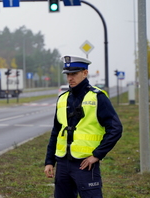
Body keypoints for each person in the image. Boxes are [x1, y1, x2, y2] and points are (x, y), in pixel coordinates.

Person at [44, 55, 122, 198]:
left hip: (85, 165)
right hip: (62, 163)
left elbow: (115, 129)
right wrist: (49, 161)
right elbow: (56, 131)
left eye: (74, 74)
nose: (70, 78)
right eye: (67, 74)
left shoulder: (98, 97)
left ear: (85, 73)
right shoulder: (62, 98)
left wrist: (97, 155)